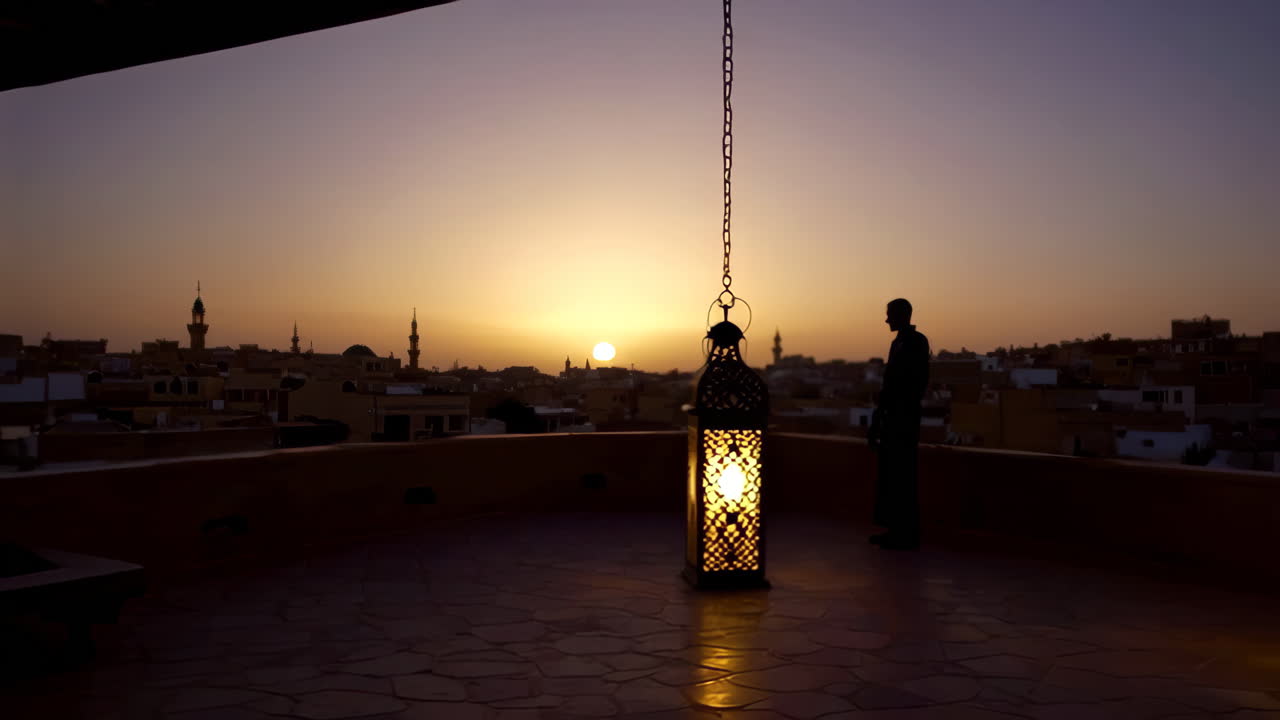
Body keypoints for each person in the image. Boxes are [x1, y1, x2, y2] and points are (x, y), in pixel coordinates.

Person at [868, 298, 930, 550]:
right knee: (893, 476)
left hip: (903, 419)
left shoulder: (915, 342)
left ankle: (906, 532)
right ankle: (896, 529)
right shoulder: (900, 343)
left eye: (890, 315)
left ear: (902, 315)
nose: (886, 320)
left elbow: (913, 381)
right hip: (894, 417)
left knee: (902, 476)